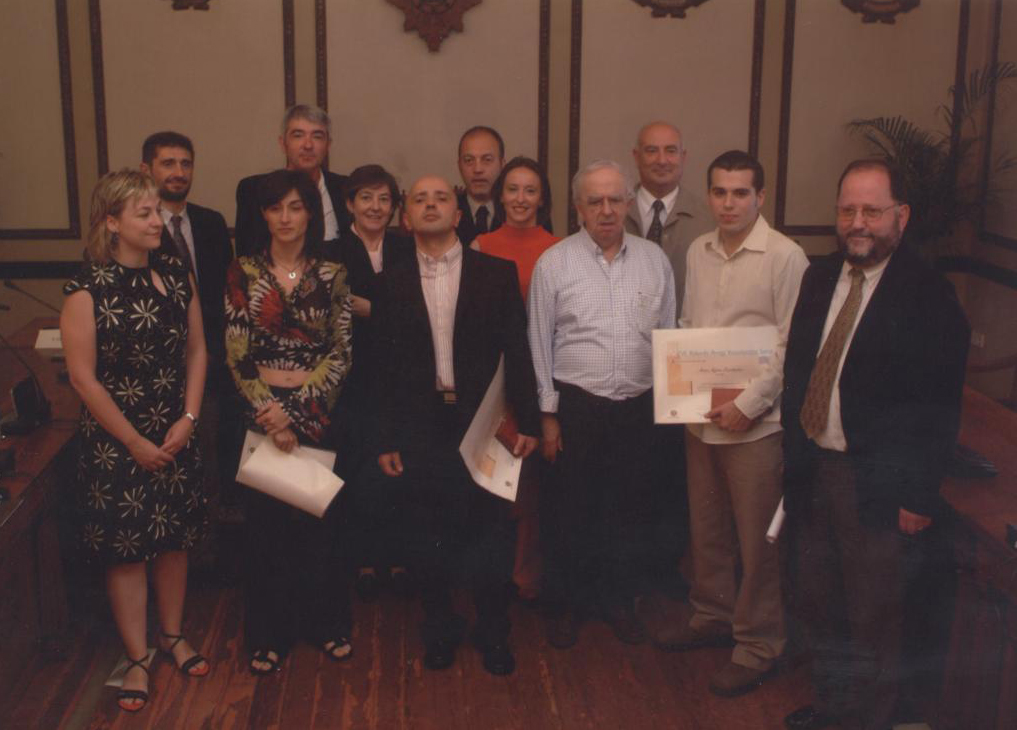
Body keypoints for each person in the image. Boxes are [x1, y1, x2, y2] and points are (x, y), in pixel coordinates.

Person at [781, 159, 969, 730]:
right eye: (847, 210)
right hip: (815, 469)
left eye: (871, 210)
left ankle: (869, 719)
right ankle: (833, 709)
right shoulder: (819, 276)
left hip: (879, 485)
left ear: (901, 216)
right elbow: (798, 372)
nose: (857, 222)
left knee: (874, 615)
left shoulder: (929, 295)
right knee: (821, 603)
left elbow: (940, 406)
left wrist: (919, 495)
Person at [373, 175, 540, 676]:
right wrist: (386, 436)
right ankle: (440, 629)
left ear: (459, 213)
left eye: (441, 198)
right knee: (428, 536)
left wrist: (528, 420)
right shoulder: (390, 280)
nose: (430, 205)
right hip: (421, 423)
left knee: (491, 533)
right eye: (419, 199)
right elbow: (382, 366)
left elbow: (518, 349)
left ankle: (494, 632)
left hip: (484, 420)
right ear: (406, 218)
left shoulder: (496, 273)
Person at [658, 151, 808, 697]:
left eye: (740, 193)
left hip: (756, 426)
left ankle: (759, 645)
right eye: (719, 192)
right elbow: (688, 326)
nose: (728, 203)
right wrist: (681, 392)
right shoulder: (698, 251)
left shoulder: (785, 257)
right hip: (701, 419)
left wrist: (751, 402)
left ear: (760, 197)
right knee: (708, 527)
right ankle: (712, 616)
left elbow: (793, 346)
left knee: (757, 540)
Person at [61, 169, 210, 712]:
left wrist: (189, 418)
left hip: (175, 433)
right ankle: (138, 656)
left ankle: (172, 635)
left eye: (156, 212)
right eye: (143, 213)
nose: (156, 221)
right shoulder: (87, 289)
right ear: (112, 222)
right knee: (126, 552)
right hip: (115, 442)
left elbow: (198, 350)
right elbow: (83, 380)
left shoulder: (176, 275)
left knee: (173, 540)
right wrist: (133, 442)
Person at [528, 160, 676, 649]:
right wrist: (548, 415)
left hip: (637, 406)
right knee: (571, 511)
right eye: (595, 201)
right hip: (578, 406)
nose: (607, 210)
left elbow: (668, 334)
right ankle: (567, 605)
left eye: (615, 199)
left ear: (629, 203)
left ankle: (618, 602)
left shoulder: (655, 260)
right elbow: (538, 342)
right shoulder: (555, 262)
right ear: (579, 208)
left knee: (628, 510)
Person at [224, 168, 354, 674]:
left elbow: (340, 353)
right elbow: (237, 355)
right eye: (276, 207)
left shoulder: (333, 273)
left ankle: (327, 625)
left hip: (317, 413)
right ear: (263, 214)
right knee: (266, 533)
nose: (285, 217)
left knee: (321, 526)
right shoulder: (243, 271)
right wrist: (270, 416)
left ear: (309, 214)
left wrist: (295, 413)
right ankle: (268, 636)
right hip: (260, 412)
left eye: (295, 207)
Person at [140, 131, 238, 518]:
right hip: (157, 367)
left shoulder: (211, 222)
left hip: (212, 361)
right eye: (168, 163)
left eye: (185, 164)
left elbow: (228, 294)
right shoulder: (137, 225)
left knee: (212, 459)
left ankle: (210, 537)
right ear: (146, 169)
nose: (179, 172)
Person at [330, 164, 415, 601]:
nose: (375, 207)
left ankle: (397, 559)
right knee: (356, 466)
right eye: (366, 198)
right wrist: (383, 310)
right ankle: (361, 561)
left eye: (384, 199)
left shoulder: (407, 248)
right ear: (349, 204)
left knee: (398, 467)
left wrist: (373, 309)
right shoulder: (330, 251)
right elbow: (330, 311)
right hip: (349, 378)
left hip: (401, 376)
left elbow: (415, 311)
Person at [475, 156, 559, 600]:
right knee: (493, 479)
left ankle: (527, 575)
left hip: (541, 375)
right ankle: (489, 575)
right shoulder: (480, 245)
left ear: (542, 198)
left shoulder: (560, 249)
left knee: (532, 485)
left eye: (530, 190)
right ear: (500, 196)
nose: (521, 198)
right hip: (492, 380)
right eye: (512, 189)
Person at [234, 104, 350, 256]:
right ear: (283, 144)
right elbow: (247, 254)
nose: (308, 145)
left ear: (328, 145)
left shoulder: (346, 188)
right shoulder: (253, 189)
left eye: (317, 136)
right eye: (298, 135)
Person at [456, 125, 506, 246]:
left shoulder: (518, 211)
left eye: (487, 159)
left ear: (502, 164)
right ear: (459, 166)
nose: (477, 169)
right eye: (469, 160)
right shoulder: (448, 212)